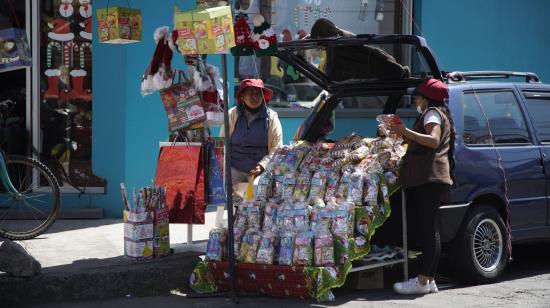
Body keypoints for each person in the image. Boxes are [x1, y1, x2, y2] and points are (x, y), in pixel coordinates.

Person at [387, 78, 456, 295]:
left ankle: (422, 281)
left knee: (428, 231)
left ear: (426, 99)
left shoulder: (432, 113)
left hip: (431, 177)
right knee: (430, 230)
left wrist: (405, 131)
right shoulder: (437, 113)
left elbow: (433, 141)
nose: (415, 98)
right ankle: (430, 280)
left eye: (418, 96)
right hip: (433, 177)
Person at [220, 78, 283, 186]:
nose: (255, 96)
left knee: (256, 191)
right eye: (250, 92)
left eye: (258, 93)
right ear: (243, 96)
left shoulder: (272, 118)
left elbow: (277, 148)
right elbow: (222, 144)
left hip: (260, 171)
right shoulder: (232, 114)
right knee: (228, 190)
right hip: (234, 168)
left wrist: (263, 165)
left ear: (263, 97)